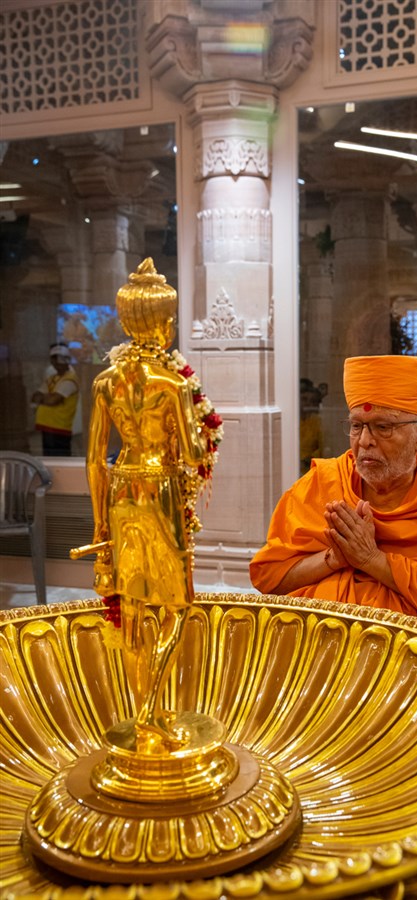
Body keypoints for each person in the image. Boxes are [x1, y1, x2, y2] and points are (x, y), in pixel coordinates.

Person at [250, 355, 417, 636]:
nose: (365, 441)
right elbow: (270, 580)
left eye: (383, 427)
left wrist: (372, 560)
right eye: (356, 426)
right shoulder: (322, 484)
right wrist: (334, 558)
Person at [85, 258, 220, 750]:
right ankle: (147, 714)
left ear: (127, 323)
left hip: (122, 491)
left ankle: (150, 709)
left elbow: (95, 460)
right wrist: (204, 434)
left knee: (134, 605)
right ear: (163, 323)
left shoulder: (106, 382)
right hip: (159, 492)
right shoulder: (172, 385)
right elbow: (193, 453)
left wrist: (100, 527)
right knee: (177, 606)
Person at [30, 342, 79, 456]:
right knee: (49, 457)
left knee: (60, 459)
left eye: (62, 359)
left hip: (59, 428)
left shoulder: (69, 379)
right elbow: (35, 396)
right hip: (48, 426)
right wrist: (47, 397)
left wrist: (45, 398)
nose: (59, 362)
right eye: (56, 359)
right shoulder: (52, 378)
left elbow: (53, 400)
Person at [300, 379, 324, 474]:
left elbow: (323, 448)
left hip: (310, 470)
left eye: (311, 401)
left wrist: (307, 460)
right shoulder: (290, 422)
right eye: (304, 399)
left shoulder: (318, 422)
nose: (307, 403)